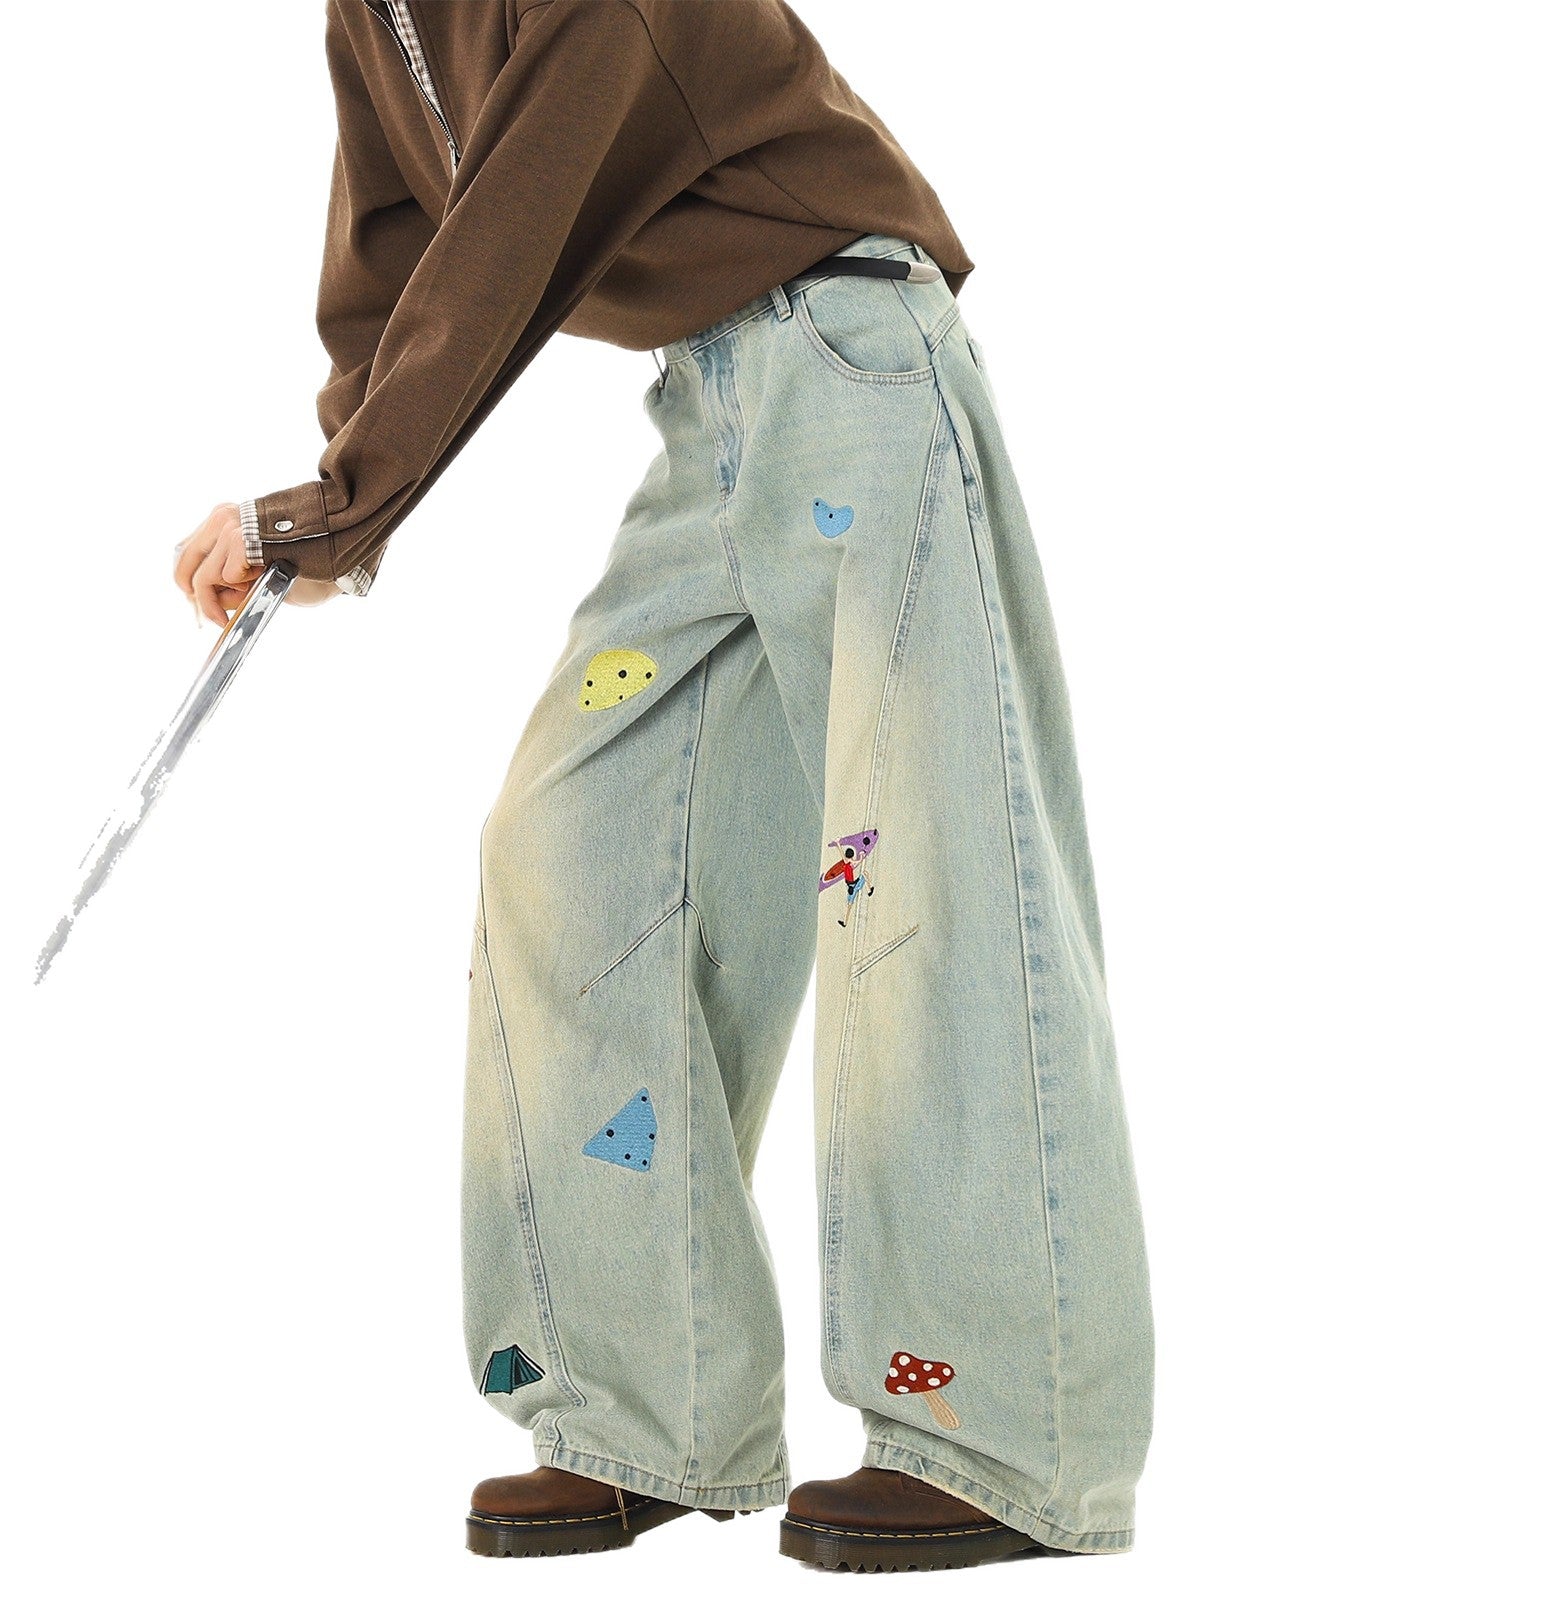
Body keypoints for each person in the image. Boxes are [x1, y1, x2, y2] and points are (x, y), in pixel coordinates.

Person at [171, 0, 1153, 1572]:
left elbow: (514, 227)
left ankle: (1004, 1435)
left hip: (850, 357)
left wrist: (342, 504)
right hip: (713, 404)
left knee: (922, 869)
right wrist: (337, 503)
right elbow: (398, 254)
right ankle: (648, 1408)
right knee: (567, 849)